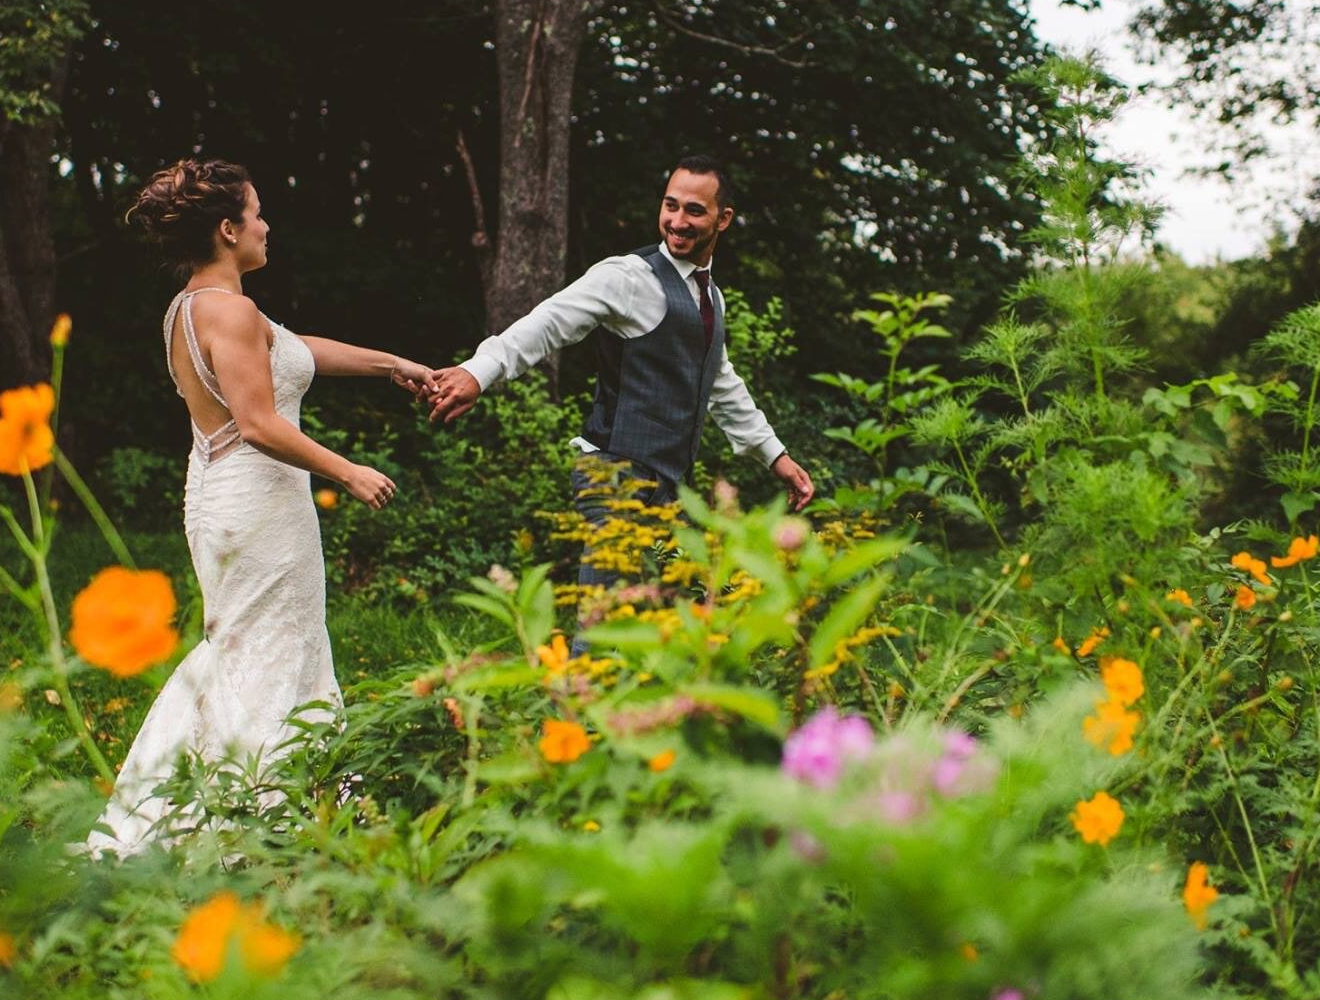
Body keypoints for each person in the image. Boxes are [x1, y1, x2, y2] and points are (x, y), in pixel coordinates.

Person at [73, 158, 429, 861]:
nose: (268, 225)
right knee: (268, 649)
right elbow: (261, 420)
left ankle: (259, 802)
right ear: (229, 228)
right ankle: (259, 819)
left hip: (223, 497)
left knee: (247, 648)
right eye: (257, 214)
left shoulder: (196, 305)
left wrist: (393, 365)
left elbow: (295, 353)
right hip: (258, 503)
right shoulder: (228, 310)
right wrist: (348, 470)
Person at [426, 155, 815, 598]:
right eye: (671, 206)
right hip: (613, 474)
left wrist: (775, 456)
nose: (677, 221)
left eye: (694, 210)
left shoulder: (711, 297)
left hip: (667, 487)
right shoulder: (629, 278)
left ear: (723, 219)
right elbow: (548, 322)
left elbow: (719, 380)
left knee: (693, 613)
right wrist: (478, 372)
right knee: (603, 623)